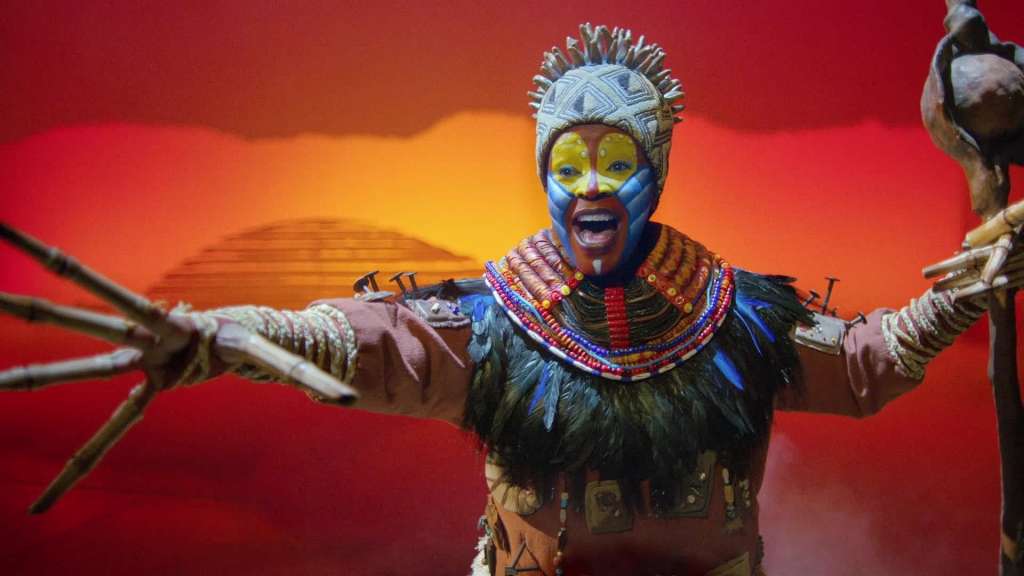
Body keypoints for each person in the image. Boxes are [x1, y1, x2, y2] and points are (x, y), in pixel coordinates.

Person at [0, 24, 1012, 576]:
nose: (589, 187)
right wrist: (221, 336)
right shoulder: (491, 322)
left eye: (616, 160)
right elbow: (354, 341)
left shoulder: (737, 315)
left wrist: (964, 298)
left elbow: (867, 362)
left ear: (656, 171)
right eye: (567, 165)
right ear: (543, 176)